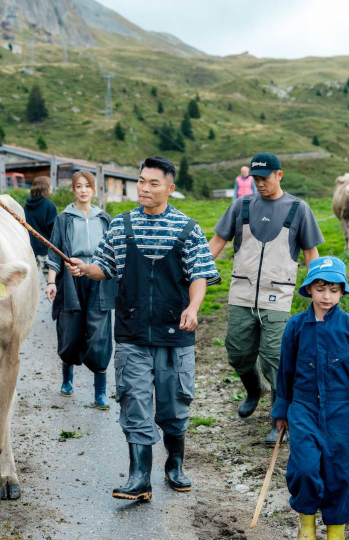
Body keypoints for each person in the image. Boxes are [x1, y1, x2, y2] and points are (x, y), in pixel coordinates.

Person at [67, 156, 220, 501]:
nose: (144, 188)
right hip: (132, 333)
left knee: (174, 406)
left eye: (153, 182)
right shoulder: (121, 226)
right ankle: (140, 477)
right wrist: (85, 267)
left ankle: (175, 465)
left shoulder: (188, 228)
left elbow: (199, 276)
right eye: (140, 181)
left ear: (170, 188)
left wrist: (193, 308)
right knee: (133, 400)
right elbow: (105, 267)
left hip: (174, 334)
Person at [209, 151, 324, 447]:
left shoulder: (299, 209)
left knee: (275, 358)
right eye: (255, 179)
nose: (259, 184)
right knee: (237, 353)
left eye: (265, 178)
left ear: (279, 175)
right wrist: (196, 273)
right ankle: (253, 390)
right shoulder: (241, 205)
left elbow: (312, 255)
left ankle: (278, 419)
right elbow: (218, 242)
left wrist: (319, 291)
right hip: (242, 293)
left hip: (278, 297)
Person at [272, 256, 349, 540]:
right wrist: (282, 410)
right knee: (305, 468)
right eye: (320, 288)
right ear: (309, 288)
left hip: (339, 411)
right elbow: (285, 371)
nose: (327, 296)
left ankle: (336, 533)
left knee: (340, 475)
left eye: (334, 290)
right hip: (303, 408)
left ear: (342, 291)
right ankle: (306, 526)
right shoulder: (295, 326)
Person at [44, 171, 117, 409]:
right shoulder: (64, 219)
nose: (83, 190)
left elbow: (113, 254)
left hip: (98, 280)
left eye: (88, 186)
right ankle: (67, 379)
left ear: (94, 190)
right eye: (79, 186)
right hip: (71, 281)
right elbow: (54, 253)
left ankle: (100, 392)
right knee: (70, 330)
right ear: (73, 190)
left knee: (100, 333)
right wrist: (52, 281)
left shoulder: (104, 219)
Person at [23, 176, 58, 273]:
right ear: (46, 188)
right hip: (45, 250)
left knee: (32, 280)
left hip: (30, 248)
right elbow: (54, 229)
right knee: (50, 282)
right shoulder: (49, 205)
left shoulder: (27, 205)